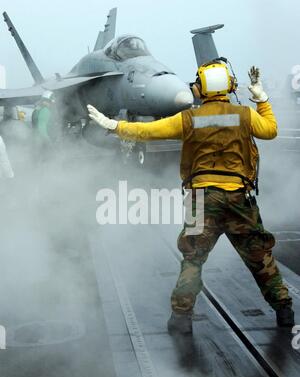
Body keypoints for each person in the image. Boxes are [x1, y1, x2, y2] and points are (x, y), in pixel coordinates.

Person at [87, 61, 295, 334]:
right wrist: (262, 99)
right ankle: (284, 310)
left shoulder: (188, 119)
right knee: (259, 256)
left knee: (193, 259)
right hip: (238, 198)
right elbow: (270, 130)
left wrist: (114, 125)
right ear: (230, 86)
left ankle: (181, 319)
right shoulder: (245, 115)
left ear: (201, 88)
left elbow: (148, 132)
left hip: (201, 200)